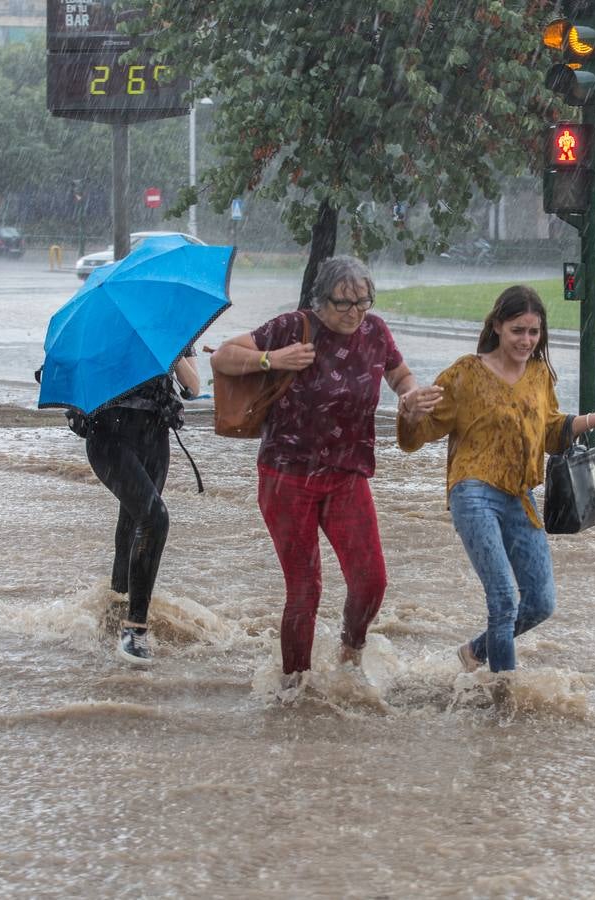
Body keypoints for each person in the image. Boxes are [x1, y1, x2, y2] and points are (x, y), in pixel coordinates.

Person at [397, 285, 595, 674]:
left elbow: (551, 432)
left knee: (540, 603)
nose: (526, 340)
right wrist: (410, 414)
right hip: (473, 491)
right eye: (518, 330)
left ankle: (475, 653)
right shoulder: (465, 373)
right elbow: (417, 437)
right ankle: (504, 695)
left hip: (520, 497)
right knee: (502, 600)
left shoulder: (539, 375)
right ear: (497, 326)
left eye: (534, 332)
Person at [210, 256, 427, 690]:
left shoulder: (375, 331)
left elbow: (400, 374)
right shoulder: (293, 327)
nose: (355, 313)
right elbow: (223, 357)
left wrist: (409, 394)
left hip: (347, 475)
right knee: (306, 589)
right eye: (344, 303)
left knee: (371, 580)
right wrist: (273, 359)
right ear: (320, 299)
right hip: (286, 477)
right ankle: (294, 688)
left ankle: (351, 653)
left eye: (364, 302)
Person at [82, 353, 200, 666]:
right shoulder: (105, 328)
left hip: (154, 435)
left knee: (134, 520)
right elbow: (82, 381)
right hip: (107, 436)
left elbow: (193, 388)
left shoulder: (173, 331)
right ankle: (135, 629)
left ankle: (116, 608)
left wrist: (170, 354)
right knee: (155, 519)